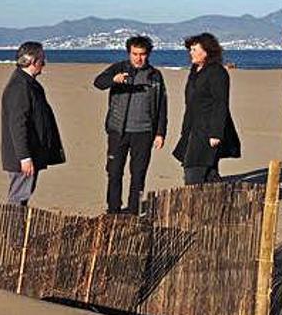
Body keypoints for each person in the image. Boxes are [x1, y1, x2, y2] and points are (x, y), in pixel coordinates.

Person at [93, 35, 168, 214]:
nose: (138, 58)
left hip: (144, 132)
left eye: (142, 54)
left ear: (148, 54)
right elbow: (98, 82)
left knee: (138, 174)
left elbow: (162, 106)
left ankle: (134, 210)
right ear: (129, 53)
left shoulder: (155, 75)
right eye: (134, 54)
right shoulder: (119, 68)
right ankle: (113, 210)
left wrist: (160, 132)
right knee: (114, 172)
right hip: (118, 131)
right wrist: (114, 80)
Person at [0, 41, 65, 206]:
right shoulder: (20, 86)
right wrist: (25, 157)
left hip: (31, 152)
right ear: (33, 61)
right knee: (18, 197)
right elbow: (17, 125)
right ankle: (13, 231)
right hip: (23, 156)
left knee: (23, 195)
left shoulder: (27, 83)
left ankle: (16, 229)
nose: (44, 64)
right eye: (42, 60)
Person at [172, 33, 240, 184]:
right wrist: (185, 129)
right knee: (207, 171)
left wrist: (216, 133)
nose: (191, 53)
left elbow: (220, 103)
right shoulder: (195, 71)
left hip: (208, 130)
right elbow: (190, 103)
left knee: (194, 169)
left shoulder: (217, 72)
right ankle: (217, 200)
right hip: (193, 129)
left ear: (207, 51)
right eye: (190, 49)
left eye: (195, 49)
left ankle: (196, 203)